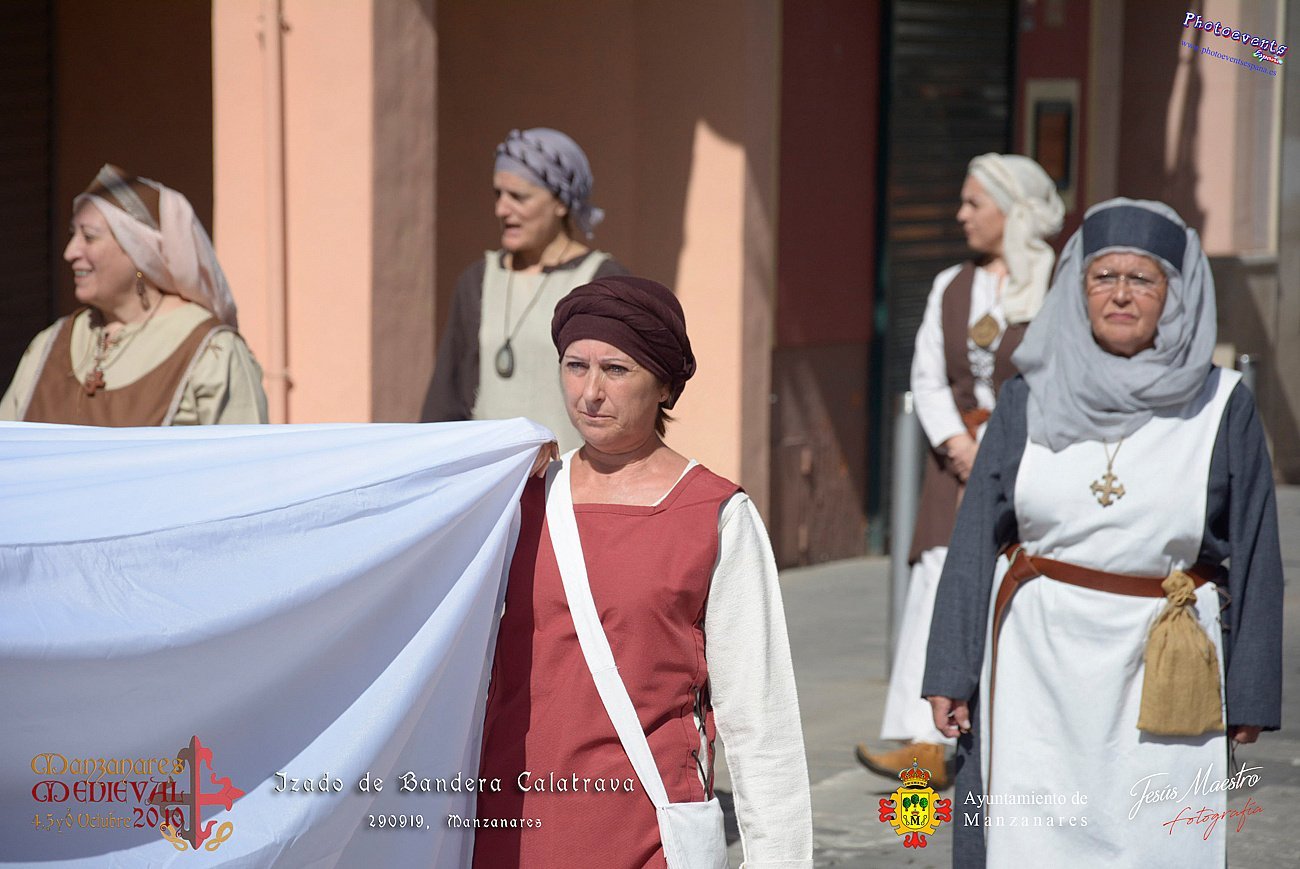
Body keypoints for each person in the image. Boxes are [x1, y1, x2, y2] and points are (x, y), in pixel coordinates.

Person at [922, 198, 1282, 867]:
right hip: (1035, 656)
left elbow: (1259, 550)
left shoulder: (1222, 403)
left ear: (1176, 295)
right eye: (1103, 277)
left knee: (1159, 835)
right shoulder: (1027, 396)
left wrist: (1251, 687)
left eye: (1142, 278)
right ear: (1077, 288)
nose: (1120, 294)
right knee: (1030, 833)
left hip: (1166, 654)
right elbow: (974, 536)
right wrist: (950, 666)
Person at [472, 276, 813, 868]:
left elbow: (759, 716)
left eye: (616, 370)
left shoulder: (714, 515)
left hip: (647, 835)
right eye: (575, 366)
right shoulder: (519, 501)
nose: (590, 393)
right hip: (510, 828)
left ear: (664, 386)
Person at [857, 154, 1064, 788]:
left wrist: (1003, 447)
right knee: (934, 585)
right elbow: (927, 375)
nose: (961, 215)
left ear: (1013, 209)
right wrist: (958, 444)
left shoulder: (1056, 283)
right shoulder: (952, 284)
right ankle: (921, 745)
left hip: (1033, 458)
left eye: (975, 203)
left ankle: (1010, 725)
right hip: (958, 466)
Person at [0, 164, 267, 426]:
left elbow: (246, 454)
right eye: (73, 234)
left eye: (89, 237)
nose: (70, 252)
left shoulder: (211, 352)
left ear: (139, 251)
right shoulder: (50, 344)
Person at [422, 127, 628, 450]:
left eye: (518, 197)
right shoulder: (478, 280)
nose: (501, 210)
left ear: (560, 203)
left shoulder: (601, 281)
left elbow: (621, 397)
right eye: (499, 195)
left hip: (568, 474)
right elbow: (445, 402)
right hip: (492, 475)